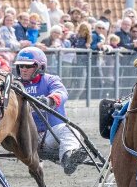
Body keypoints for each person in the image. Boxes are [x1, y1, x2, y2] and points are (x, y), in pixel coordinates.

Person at [14, 46, 86, 174]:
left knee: (71, 130)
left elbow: (61, 92)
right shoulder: (14, 85)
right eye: (21, 66)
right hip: (26, 139)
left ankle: (69, 157)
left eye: (28, 66)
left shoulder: (50, 80)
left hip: (49, 135)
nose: (24, 69)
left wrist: (50, 100)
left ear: (39, 67)